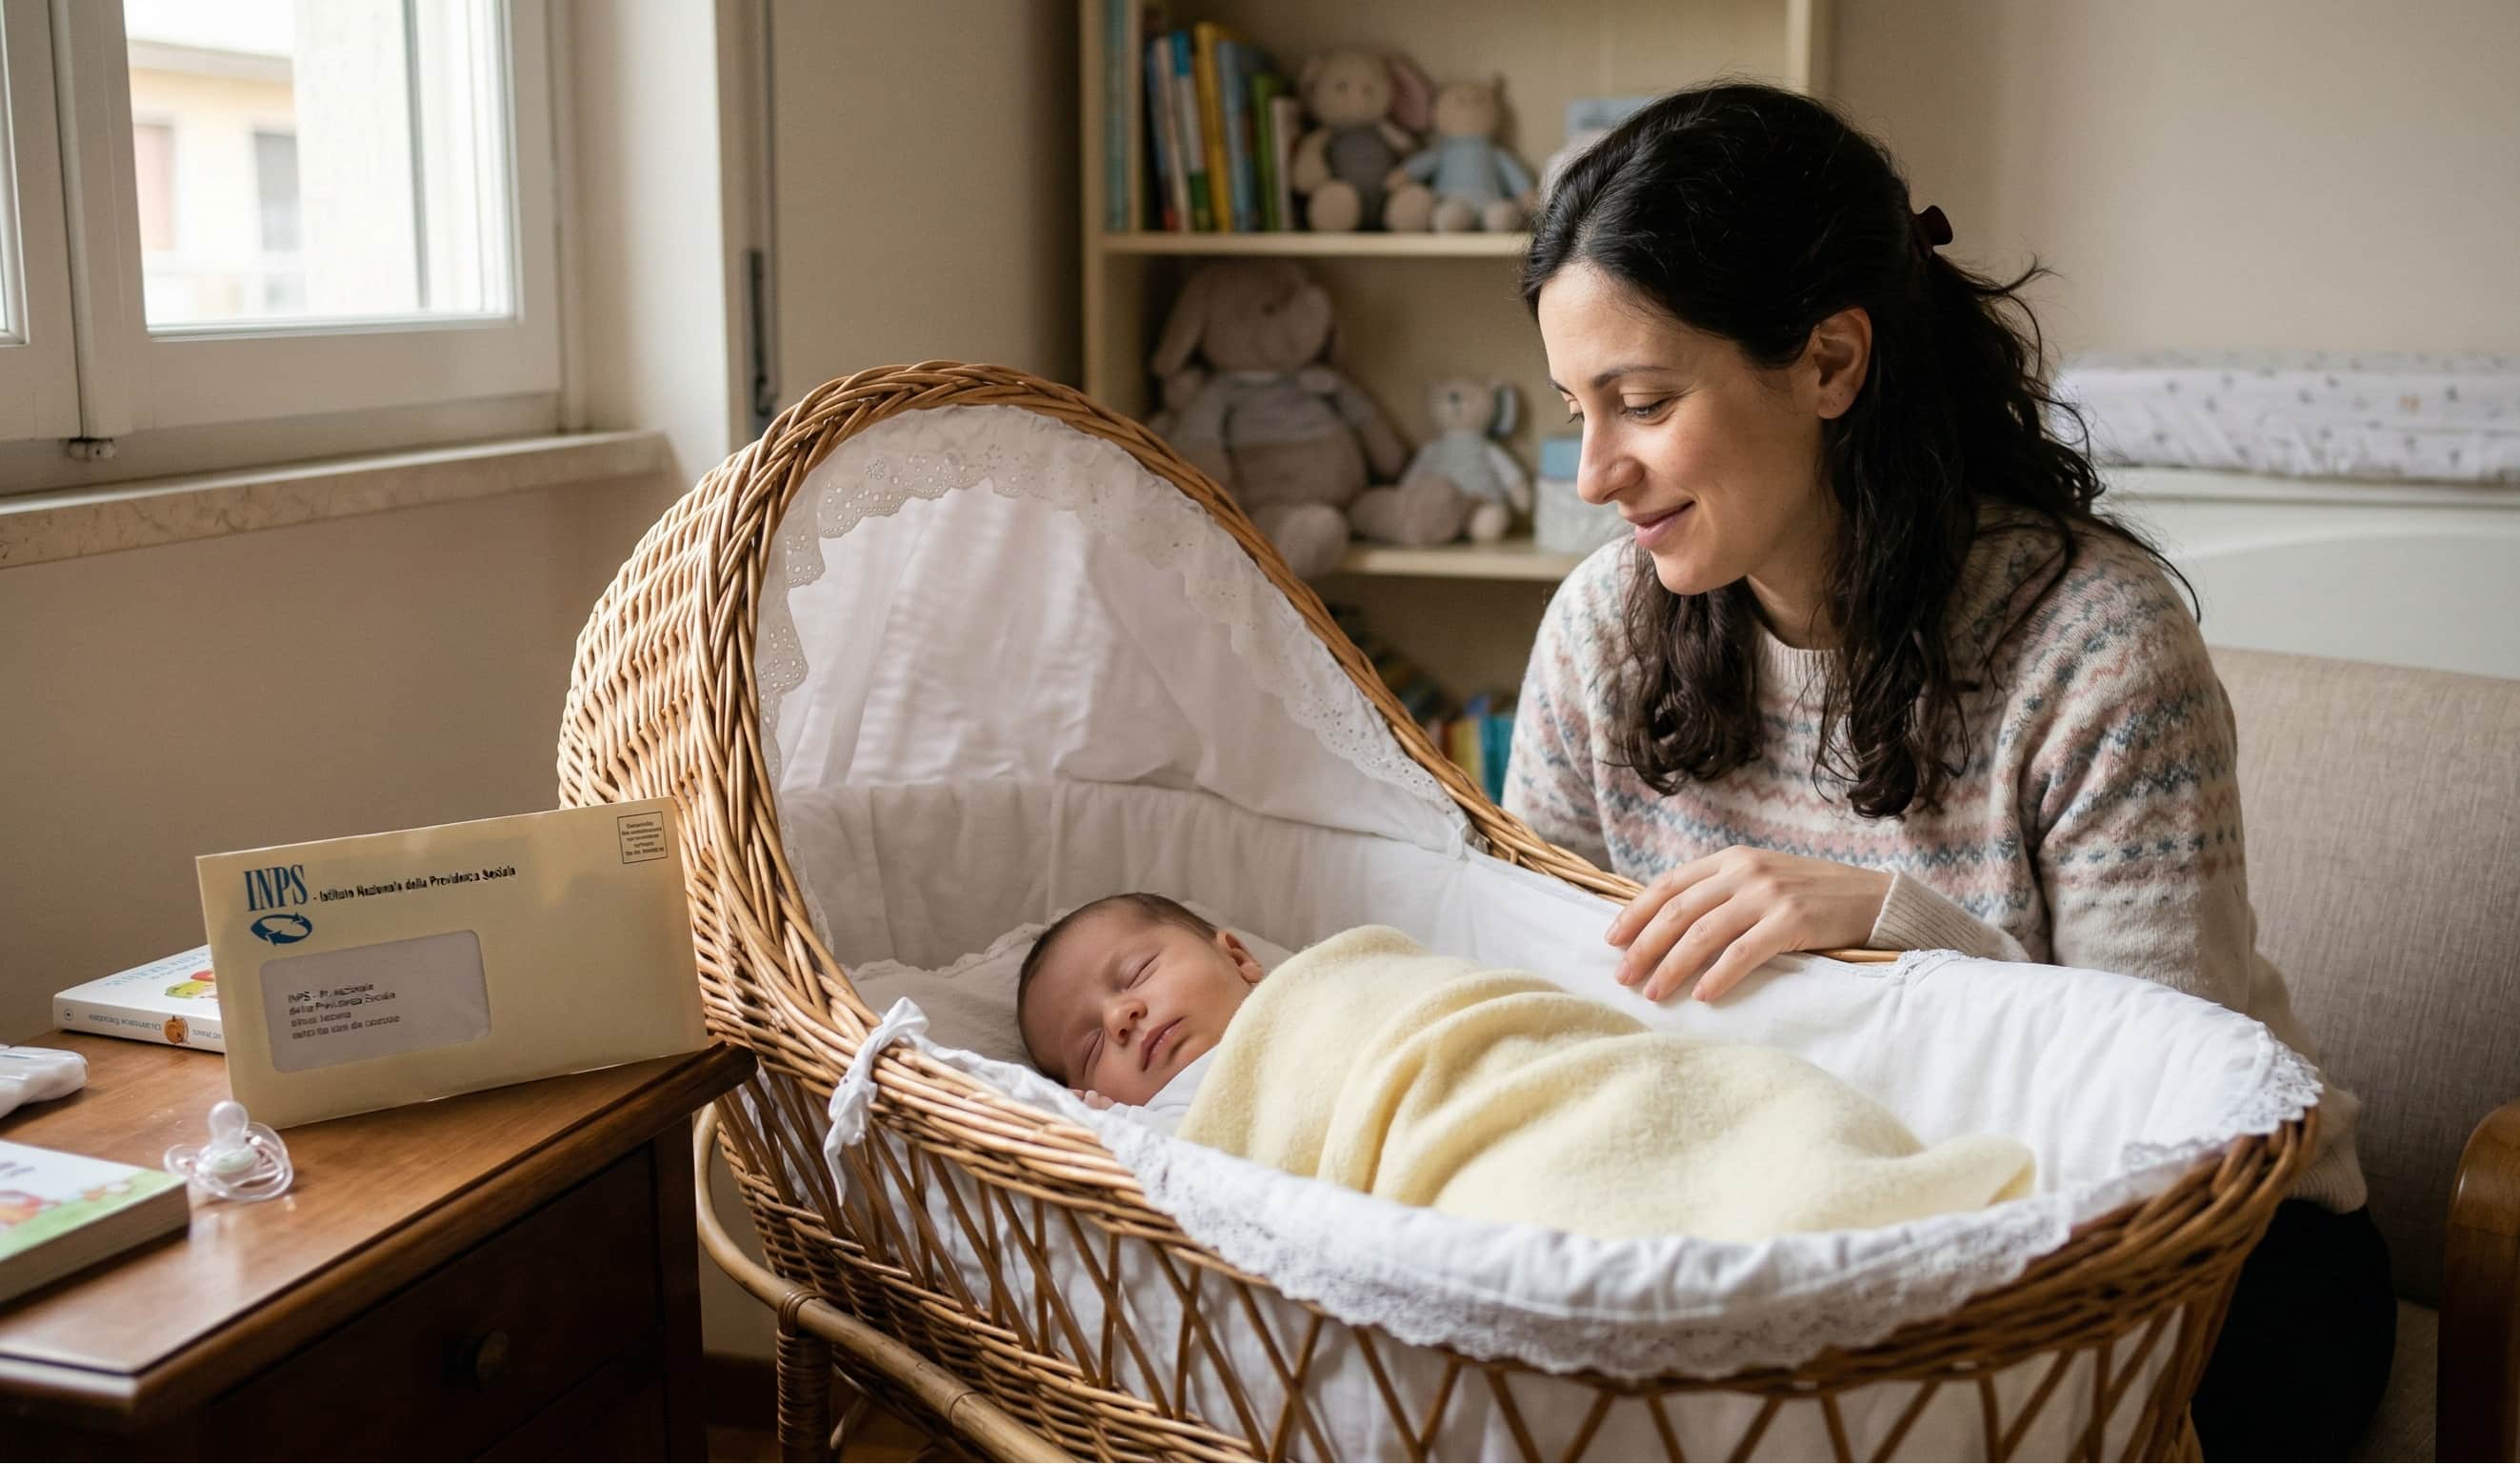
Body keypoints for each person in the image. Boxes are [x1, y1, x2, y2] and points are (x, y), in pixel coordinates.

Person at [1505, 81, 2389, 1453]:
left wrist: (1890, 927)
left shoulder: (2094, 647)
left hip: (2202, 1262)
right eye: (1575, 407)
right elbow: (1535, 984)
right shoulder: (1602, 632)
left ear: (1829, 362)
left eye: (1639, 400)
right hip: (1791, 1224)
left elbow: (2159, 1127)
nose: (1591, 475)